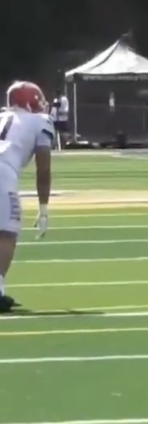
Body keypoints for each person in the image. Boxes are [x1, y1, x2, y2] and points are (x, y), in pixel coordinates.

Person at [0, 82, 53, 313]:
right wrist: (43, 207)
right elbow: (43, 169)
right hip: (3, 170)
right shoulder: (40, 121)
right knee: (6, 232)